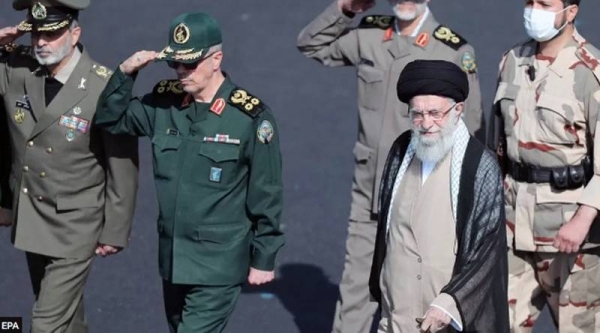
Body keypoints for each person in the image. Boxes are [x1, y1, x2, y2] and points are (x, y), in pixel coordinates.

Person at [296, 1, 484, 330]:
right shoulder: (371, 35)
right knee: (355, 287)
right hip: (371, 190)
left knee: (416, 289)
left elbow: (472, 128)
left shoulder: (451, 49)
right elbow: (312, 44)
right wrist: (346, 8)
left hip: (422, 195)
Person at [94, 12, 285, 333]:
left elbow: (267, 190)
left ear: (216, 59)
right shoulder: (163, 104)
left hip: (218, 264)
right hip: (173, 259)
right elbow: (111, 120)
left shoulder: (249, 117)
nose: (181, 72)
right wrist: (125, 73)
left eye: (190, 64)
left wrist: (264, 257)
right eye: (175, 64)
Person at [0, 0, 139, 332]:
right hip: (31, 215)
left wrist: (115, 229)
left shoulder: (103, 86)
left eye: (52, 34)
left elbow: (122, 165)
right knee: (67, 318)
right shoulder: (18, 70)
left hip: (77, 223)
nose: (41, 43)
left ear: (75, 33)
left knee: (46, 322)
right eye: (35, 35)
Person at [369, 60, 508, 333]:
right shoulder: (400, 151)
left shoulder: (479, 165)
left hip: (447, 316)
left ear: (458, 110)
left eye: (435, 113)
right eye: (417, 114)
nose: (426, 123)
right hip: (397, 313)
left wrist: (451, 301)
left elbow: (488, 247)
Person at [488, 0, 600, 331]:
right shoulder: (512, 61)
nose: (534, 10)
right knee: (495, 325)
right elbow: (497, 148)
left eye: (545, 4)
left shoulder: (590, 70)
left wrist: (583, 219)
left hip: (570, 237)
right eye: (530, 2)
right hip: (512, 227)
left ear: (571, 11)